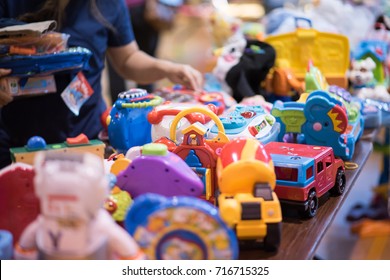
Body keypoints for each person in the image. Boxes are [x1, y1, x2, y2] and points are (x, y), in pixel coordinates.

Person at [0, 0, 203, 169]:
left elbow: (127, 58)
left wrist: (167, 69)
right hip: (14, 140)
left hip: (86, 140)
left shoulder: (108, 4)